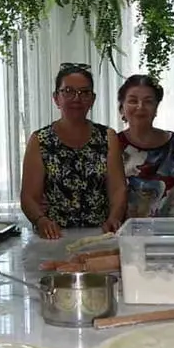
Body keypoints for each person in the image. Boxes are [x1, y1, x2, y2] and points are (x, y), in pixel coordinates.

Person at [21, 63, 127, 239]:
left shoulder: (107, 137)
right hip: (54, 236)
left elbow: (118, 189)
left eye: (84, 92)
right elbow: (28, 196)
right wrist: (41, 221)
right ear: (56, 98)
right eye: (68, 91)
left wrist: (114, 218)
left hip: (100, 234)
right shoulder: (40, 140)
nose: (76, 98)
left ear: (92, 99)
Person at [117, 74, 174, 218]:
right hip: (126, 234)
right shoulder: (112, 145)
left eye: (148, 102)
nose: (140, 107)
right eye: (133, 101)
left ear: (156, 107)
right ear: (122, 108)